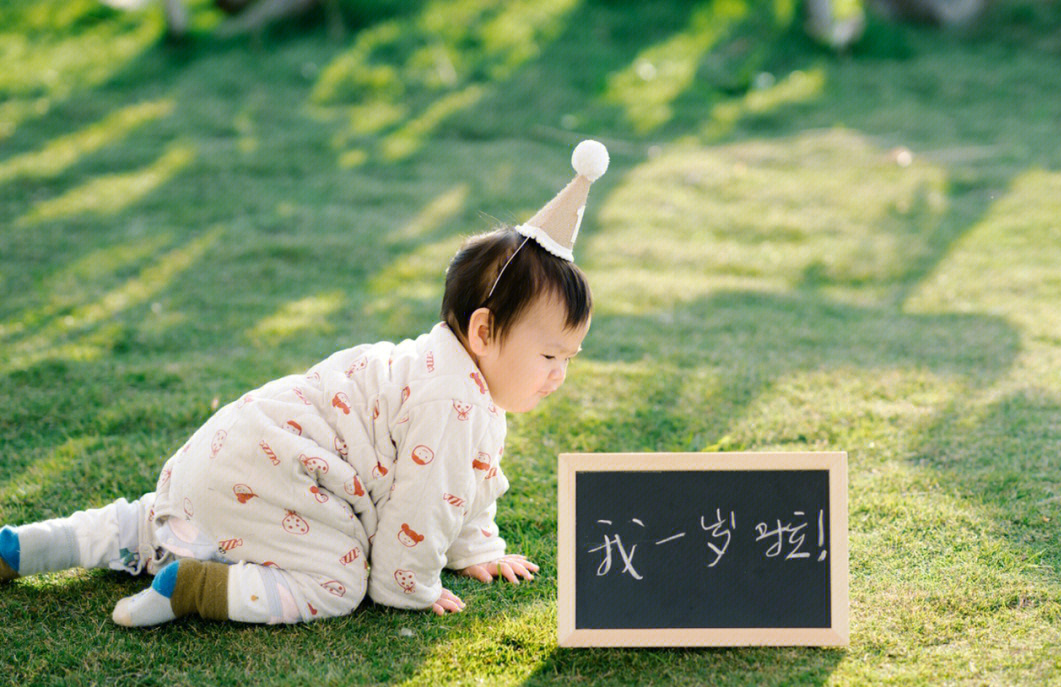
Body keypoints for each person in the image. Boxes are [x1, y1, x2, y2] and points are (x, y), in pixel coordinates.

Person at [0, 140, 609, 627]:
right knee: (337, 583)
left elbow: (461, 484)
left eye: (570, 358)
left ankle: (26, 547)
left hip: (229, 455)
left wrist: (476, 551)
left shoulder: (441, 370)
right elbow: (420, 510)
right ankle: (198, 588)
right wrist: (412, 588)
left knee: (153, 523)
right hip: (281, 478)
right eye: (551, 354)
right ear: (483, 331)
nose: (560, 375)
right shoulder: (453, 401)